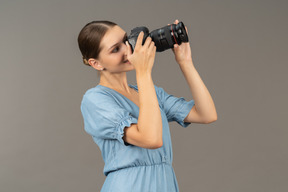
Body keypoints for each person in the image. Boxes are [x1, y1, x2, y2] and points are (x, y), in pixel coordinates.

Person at [78, 20, 217, 192]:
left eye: (125, 40)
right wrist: (143, 72)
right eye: (115, 49)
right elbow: (150, 139)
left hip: (165, 183)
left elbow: (207, 114)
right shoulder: (95, 99)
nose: (128, 50)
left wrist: (185, 62)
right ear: (96, 63)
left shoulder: (150, 92)